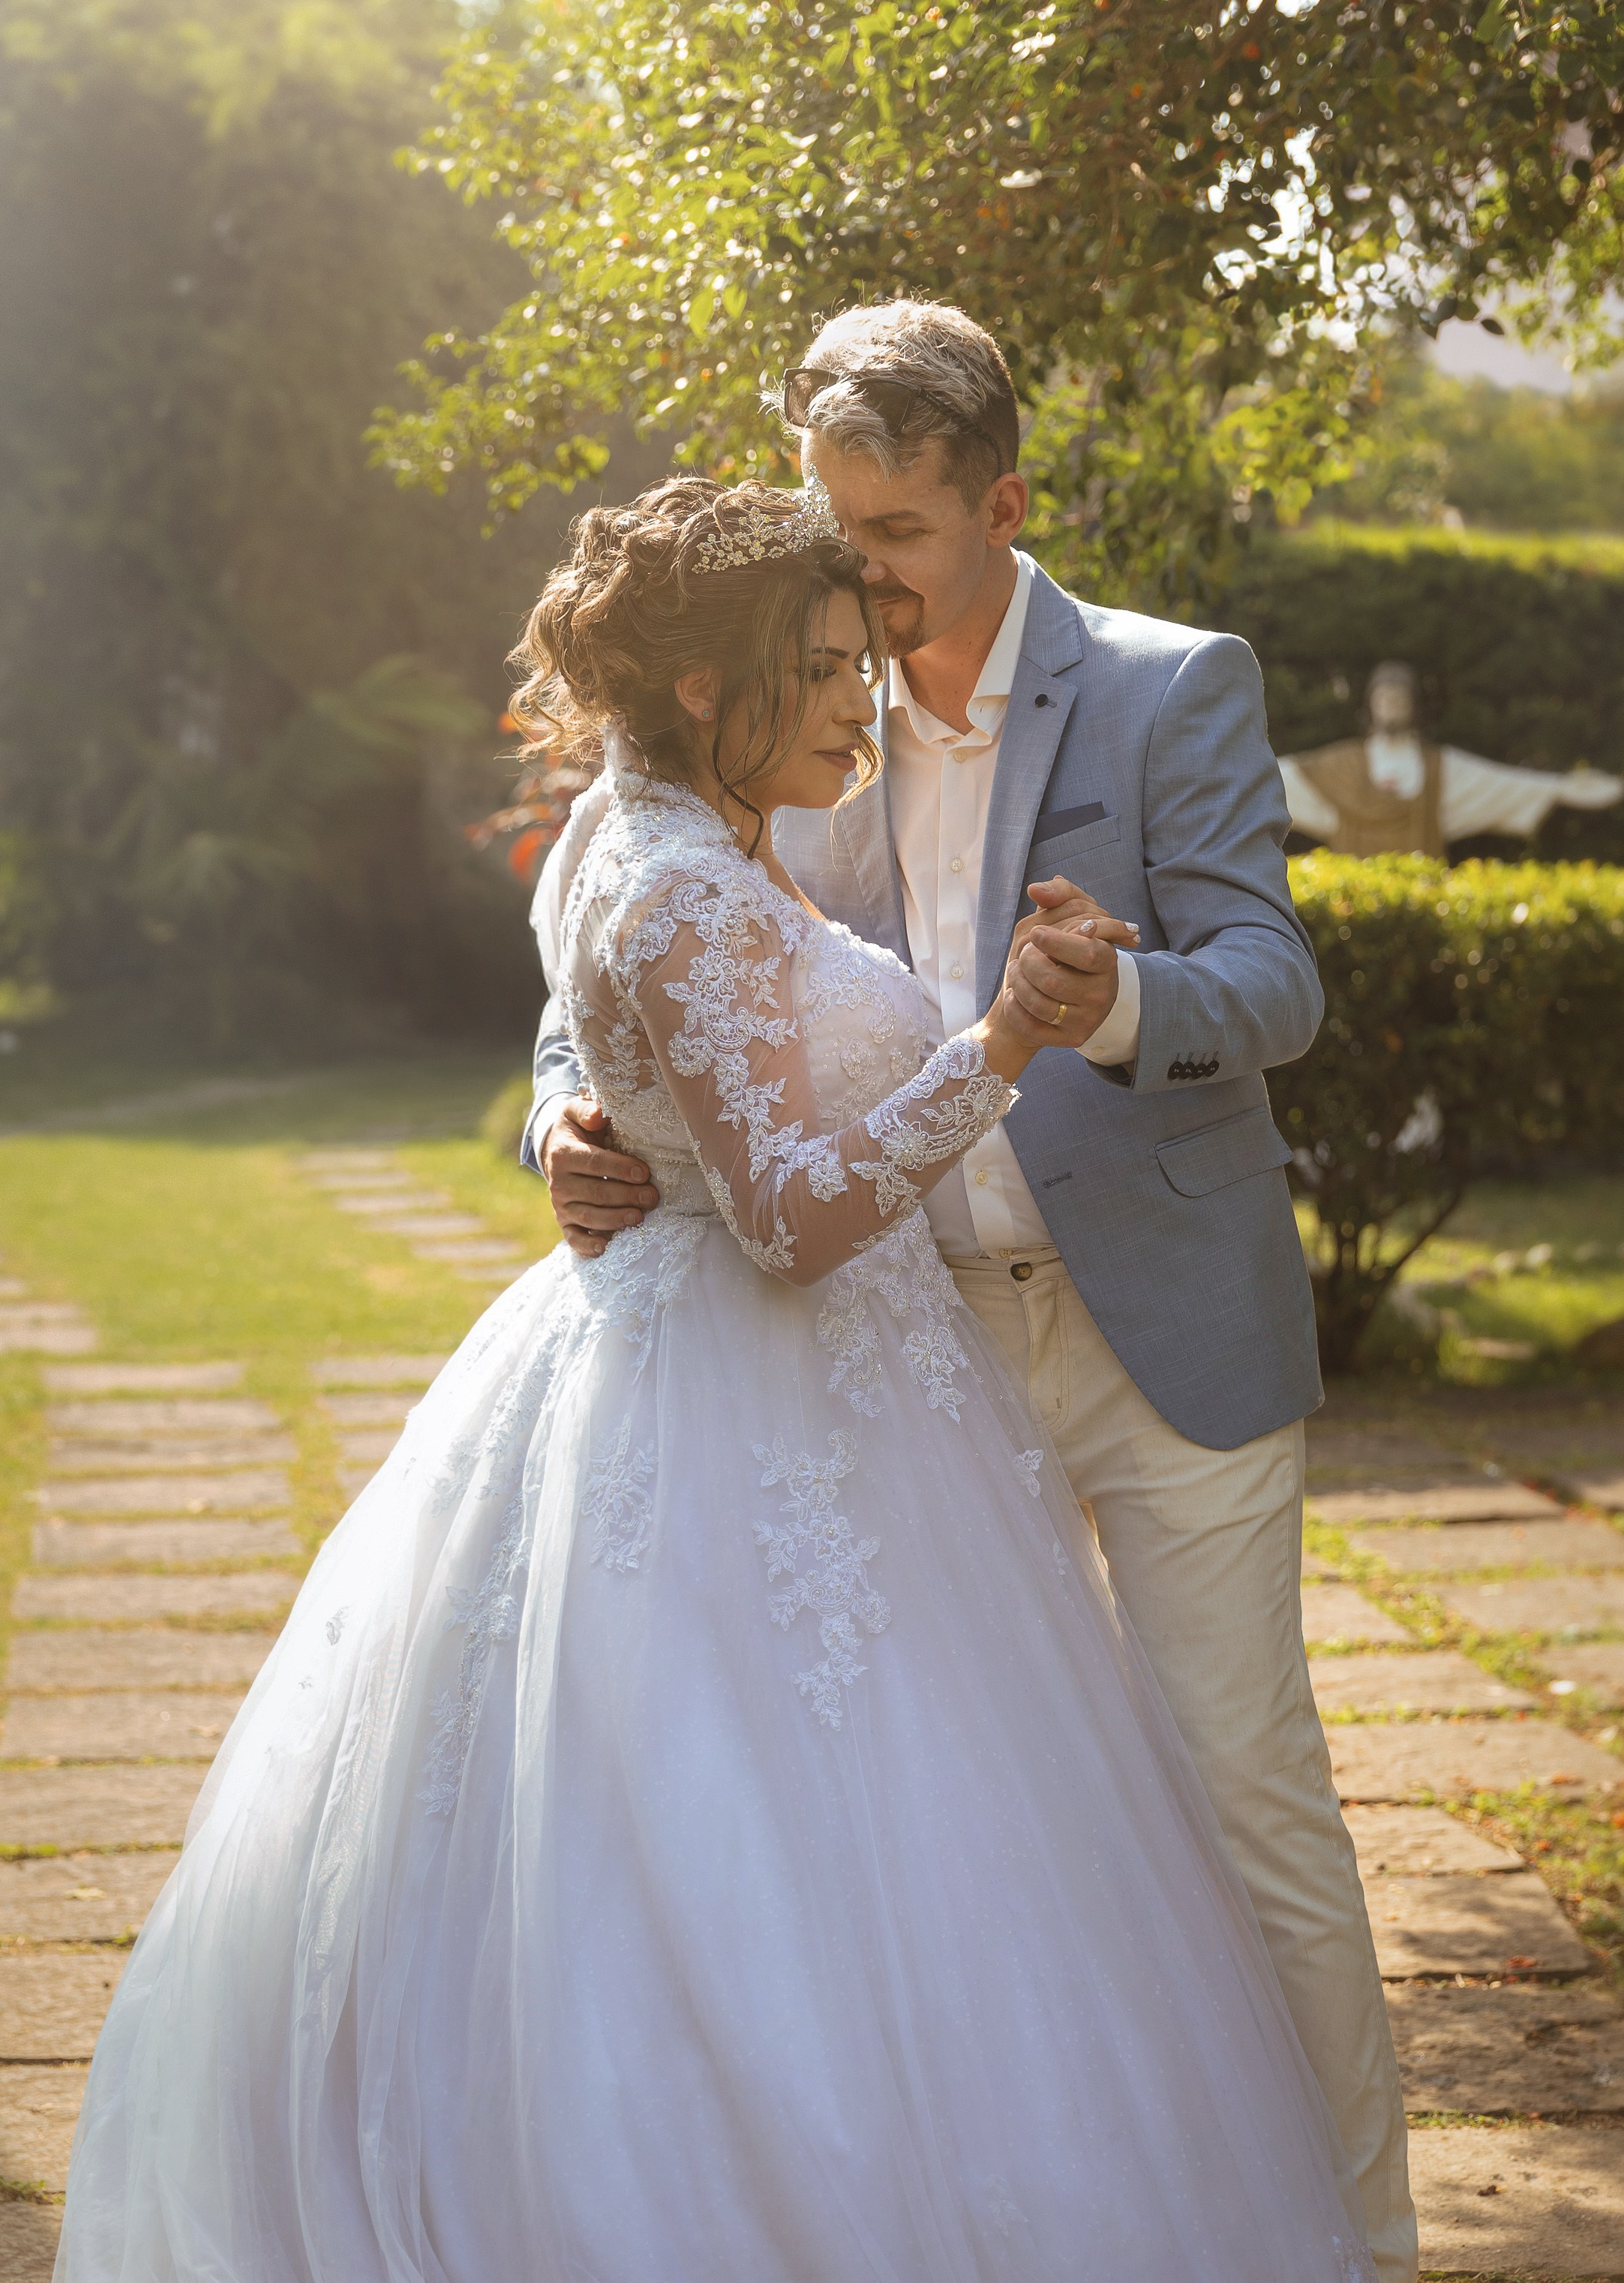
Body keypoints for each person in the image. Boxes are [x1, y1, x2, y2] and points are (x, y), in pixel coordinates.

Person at [55, 477, 1377, 2282]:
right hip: (754, 1393)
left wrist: (619, 1109)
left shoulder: (659, 822)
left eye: (857, 658)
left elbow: (673, 1056)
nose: (860, 695)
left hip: (853, 1385)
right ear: (704, 685)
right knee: (763, 1833)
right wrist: (1002, 1035)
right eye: (822, 667)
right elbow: (788, 1217)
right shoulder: (679, 877)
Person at [530, 302, 1415, 2281]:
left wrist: (1111, 1003)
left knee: (1240, 1797)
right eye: (828, 525)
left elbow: (1274, 983)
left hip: (1159, 1335)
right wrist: (561, 1121)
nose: (852, 575)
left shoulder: (1170, 688)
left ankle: (1356, 2246)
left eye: (893, 536)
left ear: (1000, 507)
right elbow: (613, 944)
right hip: (899, 1352)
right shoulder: (785, 698)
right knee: (987, 1830)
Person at [1278, 657, 1624, 857]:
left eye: (1400, 700)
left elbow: (1497, 784)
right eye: (1384, 700)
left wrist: (1559, 788)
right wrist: (1244, 772)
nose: (1392, 707)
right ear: (1370, 706)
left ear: (1414, 707)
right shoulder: (1342, 765)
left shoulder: (1437, 768)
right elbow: (1283, 778)